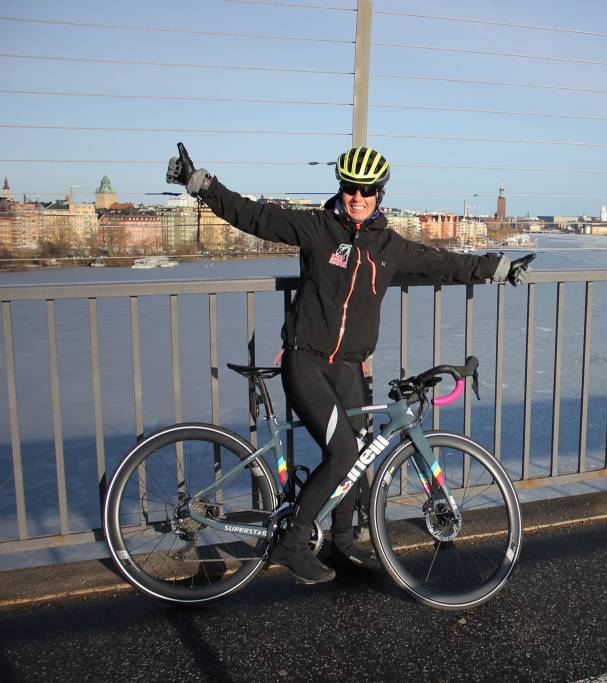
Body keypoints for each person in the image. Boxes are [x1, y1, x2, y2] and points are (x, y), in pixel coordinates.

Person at [167, 143, 535, 583]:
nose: (357, 198)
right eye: (349, 189)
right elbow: (255, 216)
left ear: (380, 194)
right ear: (340, 189)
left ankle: (343, 543)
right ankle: (292, 540)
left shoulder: (389, 247)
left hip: (350, 367)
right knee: (342, 452)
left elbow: (444, 263)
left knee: (357, 457)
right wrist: (202, 184)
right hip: (306, 362)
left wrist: (498, 269)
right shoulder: (317, 227)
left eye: (367, 190)